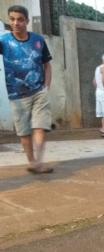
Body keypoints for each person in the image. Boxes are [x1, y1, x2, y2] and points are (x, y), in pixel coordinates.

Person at [0, 5, 53, 174]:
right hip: (16, 94)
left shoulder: (37, 40)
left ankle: (38, 161)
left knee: (39, 126)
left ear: (27, 21)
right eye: (12, 19)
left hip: (39, 91)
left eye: (20, 19)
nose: (16, 23)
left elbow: (47, 65)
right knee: (24, 132)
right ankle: (33, 162)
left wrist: (46, 86)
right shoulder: (4, 41)